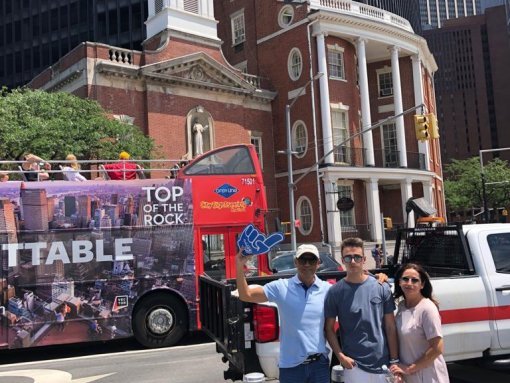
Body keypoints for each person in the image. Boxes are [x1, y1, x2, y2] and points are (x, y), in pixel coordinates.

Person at [236, 244, 331, 383]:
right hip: (291, 367)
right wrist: (239, 266)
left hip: (319, 366)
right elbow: (246, 295)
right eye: (303, 260)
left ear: (318, 263)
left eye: (311, 260)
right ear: (296, 262)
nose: (307, 264)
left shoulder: (327, 289)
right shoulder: (281, 287)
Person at [325, 237, 399, 383]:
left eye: (357, 257)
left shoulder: (381, 287)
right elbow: (329, 329)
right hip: (354, 366)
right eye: (348, 257)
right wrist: (341, 357)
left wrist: (395, 360)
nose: (352, 261)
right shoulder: (335, 292)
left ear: (364, 259)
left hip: (383, 364)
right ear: (342, 260)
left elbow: (390, 327)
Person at [389, 264, 450, 383]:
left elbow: (437, 348)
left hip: (428, 376)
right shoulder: (401, 307)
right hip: (410, 376)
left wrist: (410, 369)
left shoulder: (427, 309)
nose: (409, 283)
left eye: (415, 280)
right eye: (405, 279)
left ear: (422, 285)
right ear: (399, 282)